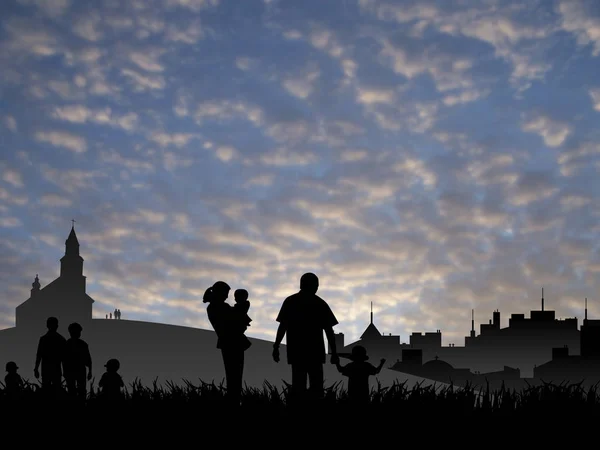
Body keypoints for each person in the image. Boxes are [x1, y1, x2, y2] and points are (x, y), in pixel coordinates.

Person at [272, 272, 339, 403]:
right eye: (316, 285)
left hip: (297, 352)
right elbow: (329, 330)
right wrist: (334, 352)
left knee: (299, 387)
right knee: (316, 389)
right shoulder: (319, 303)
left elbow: (282, 327)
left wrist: (276, 346)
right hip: (314, 352)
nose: (317, 288)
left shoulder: (291, 301)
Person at [204, 281, 251, 406]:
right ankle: (233, 402)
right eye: (225, 293)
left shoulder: (218, 307)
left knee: (234, 375)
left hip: (230, 343)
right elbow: (235, 322)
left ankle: (234, 400)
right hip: (232, 343)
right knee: (234, 376)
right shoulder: (219, 307)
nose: (226, 296)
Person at [34, 316, 66, 396]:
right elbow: (64, 358)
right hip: (54, 369)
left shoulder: (44, 339)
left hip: (47, 369)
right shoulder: (61, 339)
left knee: (47, 390)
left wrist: (36, 368)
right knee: (55, 390)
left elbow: (39, 355)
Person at [63, 322, 92, 401]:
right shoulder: (68, 344)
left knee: (79, 390)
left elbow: (88, 359)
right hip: (73, 371)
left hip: (78, 370)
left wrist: (90, 371)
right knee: (74, 390)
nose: (79, 333)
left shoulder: (81, 344)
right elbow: (64, 359)